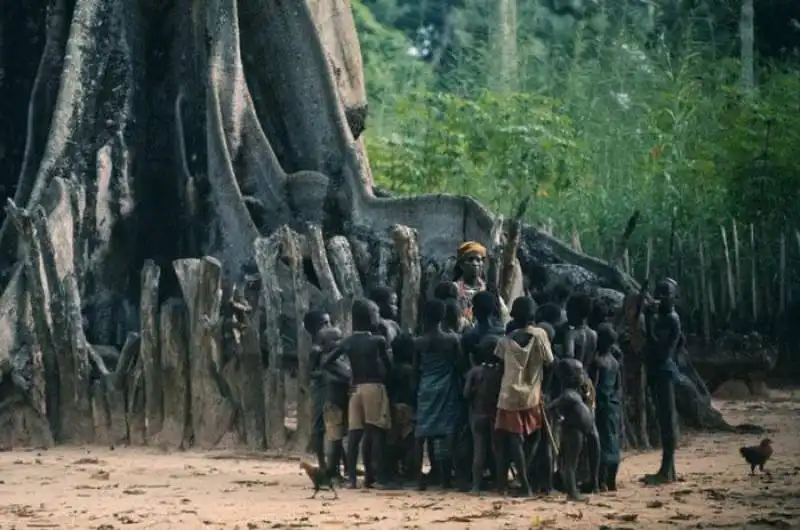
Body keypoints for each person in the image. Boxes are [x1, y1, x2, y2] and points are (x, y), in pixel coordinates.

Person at [323, 299, 393, 489]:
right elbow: (388, 366)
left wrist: (348, 377)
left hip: (355, 390)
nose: (378, 317)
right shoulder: (377, 340)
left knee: (354, 436)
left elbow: (327, 362)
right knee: (376, 433)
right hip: (374, 387)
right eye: (376, 313)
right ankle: (378, 477)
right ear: (369, 317)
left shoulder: (348, 341)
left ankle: (352, 479)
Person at [493, 319, 554, 496]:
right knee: (534, 435)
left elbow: (499, 366)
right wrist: (544, 388)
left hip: (509, 396)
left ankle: (523, 483)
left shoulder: (504, 341)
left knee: (513, 441)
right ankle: (524, 478)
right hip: (532, 395)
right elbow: (550, 362)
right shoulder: (540, 335)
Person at [413, 299, 464, 490]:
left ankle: (418, 479)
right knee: (448, 431)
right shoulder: (452, 340)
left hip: (426, 387)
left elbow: (416, 369)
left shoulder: (419, 342)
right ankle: (446, 479)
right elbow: (459, 364)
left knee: (421, 433)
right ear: (443, 317)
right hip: (446, 387)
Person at [642, 278, 682, 485]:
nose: (660, 298)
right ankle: (669, 469)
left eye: (665, 293)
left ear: (675, 296)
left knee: (667, 420)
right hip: (661, 371)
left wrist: (649, 320)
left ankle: (666, 470)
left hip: (664, 371)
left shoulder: (670, 319)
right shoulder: (666, 317)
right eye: (658, 293)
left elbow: (659, 349)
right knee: (665, 419)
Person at [546, 386, 600, 501]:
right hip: (573, 431)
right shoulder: (568, 394)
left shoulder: (577, 392)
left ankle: (574, 489)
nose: (581, 375)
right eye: (578, 372)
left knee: (572, 463)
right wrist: (559, 418)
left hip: (580, 430)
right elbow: (551, 407)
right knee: (570, 464)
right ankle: (572, 493)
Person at [463, 344, 503, 494]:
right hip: (494, 415)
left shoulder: (475, 372)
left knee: (479, 452)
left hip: (478, 415)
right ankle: (500, 485)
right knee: (497, 451)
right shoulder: (500, 372)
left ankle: (476, 486)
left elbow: (466, 394)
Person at [589, 323, 622, 491]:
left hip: (601, 405)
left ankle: (599, 481)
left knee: (600, 442)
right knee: (613, 440)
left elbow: (592, 387)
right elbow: (618, 386)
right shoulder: (615, 362)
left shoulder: (597, 361)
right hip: (614, 404)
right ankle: (612, 481)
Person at [317, 327, 349, 481]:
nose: (339, 342)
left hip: (342, 403)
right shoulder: (327, 360)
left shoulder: (340, 359)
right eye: (335, 340)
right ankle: (332, 472)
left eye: (340, 339)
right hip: (333, 404)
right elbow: (339, 378)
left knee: (339, 439)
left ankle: (338, 470)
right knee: (333, 439)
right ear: (324, 343)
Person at [305, 310, 333, 468]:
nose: (329, 326)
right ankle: (322, 464)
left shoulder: (330, 346)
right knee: (319, 427)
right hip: (320, 390)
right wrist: (325, 372)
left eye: (329, 322)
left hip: (331, 389)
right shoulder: (316, 349)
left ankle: (336, 464)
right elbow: (309, 373)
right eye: (324, 324)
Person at [461, 291, 504, 368]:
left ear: (475, 311)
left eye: (473, 306)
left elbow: (464, 362)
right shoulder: (501, 328)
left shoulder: (470, 336)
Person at [453, 241, 488, 324]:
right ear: (461, 265)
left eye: (478, 260)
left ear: (482, 265)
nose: (475, 264)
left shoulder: (488, 290)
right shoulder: (454, 289)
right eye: (470, 259)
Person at [564, 293, 598, 366]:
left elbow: (569, 356)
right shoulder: (594, 334)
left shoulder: (571, 335)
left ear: (575, 312)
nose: (567, 313)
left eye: (568, 310)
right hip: (585, 374)